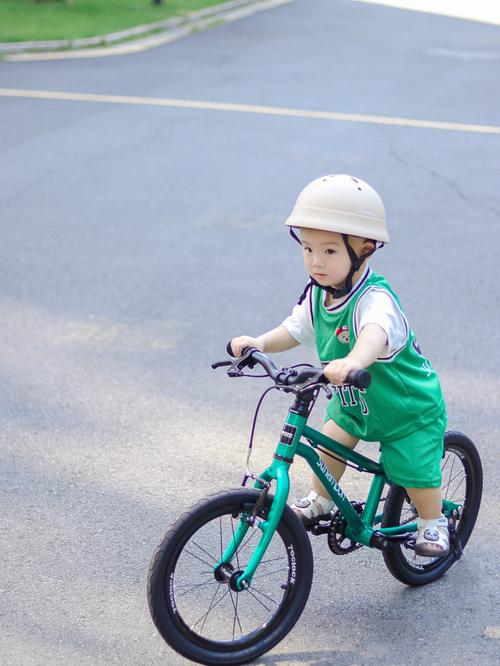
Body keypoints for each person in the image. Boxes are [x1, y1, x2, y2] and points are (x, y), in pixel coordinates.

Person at [230, 174, 449, 557]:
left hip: (406, 409)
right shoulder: (319, 295)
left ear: (364, 249)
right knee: (330, 440)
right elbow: (294, 329)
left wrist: (352, 361)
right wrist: (259, 343)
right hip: (355, 403)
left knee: (414, 469)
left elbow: (373, 334)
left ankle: (433, 522)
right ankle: (319, 498)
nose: (316, 261)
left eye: (330, 251)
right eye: (308, 249)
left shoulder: (374, 299)